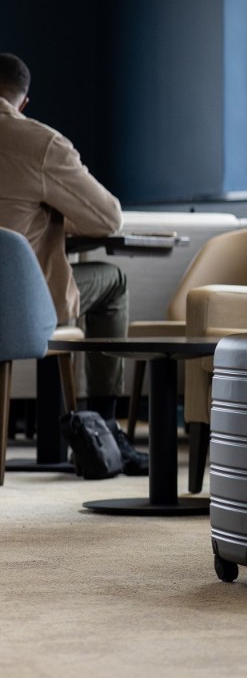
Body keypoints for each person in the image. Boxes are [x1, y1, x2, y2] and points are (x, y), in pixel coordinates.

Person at [0, 52, 128, 422]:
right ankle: (103, 428)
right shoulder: (40, 144)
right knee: (113, 281)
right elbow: (108, 218)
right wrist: (55, 214)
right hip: (18, 306)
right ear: (23, 102)